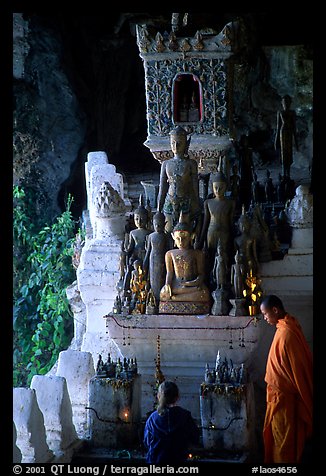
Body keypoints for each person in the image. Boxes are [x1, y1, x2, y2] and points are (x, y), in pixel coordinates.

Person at [260, 295, 313, 464]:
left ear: (275, 310)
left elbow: (298, 370)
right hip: (278, 398)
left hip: (284, 401)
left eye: (266, 314)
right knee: (279, 440)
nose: (265, 318)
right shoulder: (284, 327)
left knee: (284, 444)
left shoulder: (287, 333)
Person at [157, 126, 201, 235]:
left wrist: (196, 206)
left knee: (184, 232)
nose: (175, 146)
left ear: (185, 144)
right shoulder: (166, 164)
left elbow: (195, 188)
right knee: (168, 230)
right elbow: (162, 188)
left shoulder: (191, 163)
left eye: (179, 143)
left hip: (186, 200)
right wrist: (158, 208)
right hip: (169, 200)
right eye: (173, 143)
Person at [143, 380, 200, 464]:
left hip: (156, 462)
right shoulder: (185, 416)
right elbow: (195, 438)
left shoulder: (152, 419)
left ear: (159, 396)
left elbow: (147, 442)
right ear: (177, 397)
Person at [159, 213, 210, 304]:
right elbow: (170, 273)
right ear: (173, 237)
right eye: (178, 238)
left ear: (192, 236)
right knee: (163, 293)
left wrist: (191, 283)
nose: (181, 242)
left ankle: (175, 299)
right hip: (177, 286)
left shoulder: (197, 254)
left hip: (192, 286)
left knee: (204, 294)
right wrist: (167, 285)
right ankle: (176, 297)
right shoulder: (170, 254)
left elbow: (201, 274)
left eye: (184, 238)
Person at [143, 211, 171, 302]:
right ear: (152, 224)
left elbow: (169, 250)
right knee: (153, 279)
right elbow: (148, 251)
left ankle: (162, 298)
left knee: (162, 278)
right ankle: (153, 299)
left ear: (165, 224)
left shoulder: (167, 237)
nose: (158, 227)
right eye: (156, 224)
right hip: (153, 260)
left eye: (160, 224)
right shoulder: (151, 236)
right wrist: (145, 263)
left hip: (163, 260)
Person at [274, 95, 298, 179]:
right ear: (282, 103)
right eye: (284, 102)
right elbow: (278, 127)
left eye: (287, 102)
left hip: (289, 133)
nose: (286, 104)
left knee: (289, 153)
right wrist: (276, 140)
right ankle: (284, 173)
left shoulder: (292, 113)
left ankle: (288, 173)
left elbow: (294, 127)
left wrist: (296, 141)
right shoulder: (280, 112)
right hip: (282, 132)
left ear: (290, 103)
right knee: (283, 153)